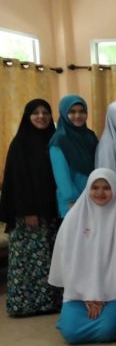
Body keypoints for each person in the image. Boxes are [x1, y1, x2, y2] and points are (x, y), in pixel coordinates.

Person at [49, 169, 116, 344]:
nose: (100, 193)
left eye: (106, 188)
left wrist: (101, 292)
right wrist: (88, 293)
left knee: (106, 331)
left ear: (115, 188)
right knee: (71, 333)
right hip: (79, 292)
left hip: (113, 292)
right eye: (95, 187)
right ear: (88, 188)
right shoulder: (74, 217)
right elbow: (66, 260)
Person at [0, 99, 61, 317]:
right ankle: (26, 305)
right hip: (29, 214)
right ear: (28, 116)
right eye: (35, 112)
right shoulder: (20, 144)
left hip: (51, 211)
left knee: (50, 258)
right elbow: (17, 180)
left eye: (45, 112)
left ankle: (51, 302)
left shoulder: (54, 140)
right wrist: (28, 211)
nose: (41, 116)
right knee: (29, 260)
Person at [49, 95, 98, 217]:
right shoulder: (59, 140)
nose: (78, 115)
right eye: (72, 112)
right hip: (72, 203)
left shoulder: (90, 136)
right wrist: (72, 200)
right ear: (64, 113)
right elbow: (61, 176)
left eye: (82, 111)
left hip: (94, 197)